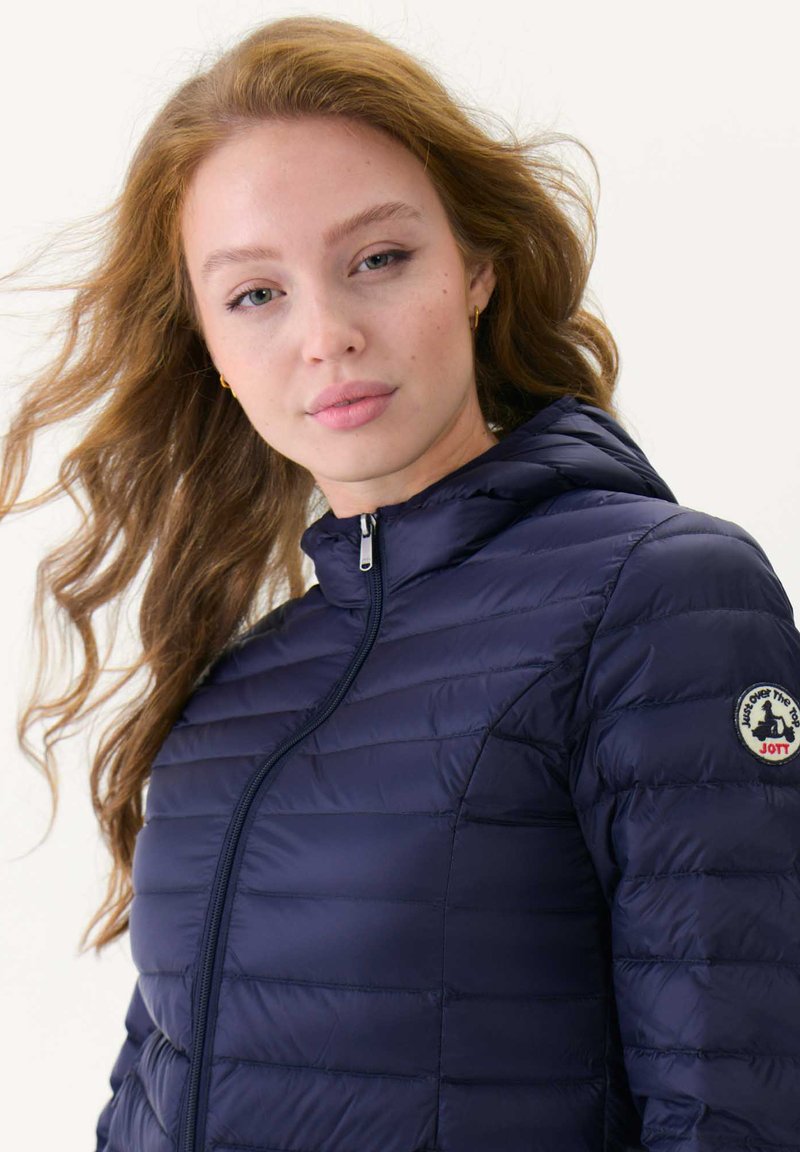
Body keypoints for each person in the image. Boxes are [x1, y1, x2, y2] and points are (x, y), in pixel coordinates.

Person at [2, 15, 799, 1152]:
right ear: (207, 347)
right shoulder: (234, 693)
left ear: (475, 268)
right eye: (255, 294)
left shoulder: (660, 599)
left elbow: (743, 1102)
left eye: (377, 259)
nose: (326, 334)